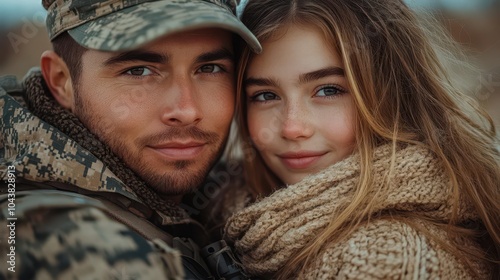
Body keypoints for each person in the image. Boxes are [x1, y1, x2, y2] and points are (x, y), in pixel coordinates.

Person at [224, 0, 500, 279]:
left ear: (393, 95)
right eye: (265, 95)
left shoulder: (389, 263)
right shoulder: (227, 203)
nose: (292, 128)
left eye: (328, 90)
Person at [0, 0, 261, 279]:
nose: (187, 111)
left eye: (210, 68)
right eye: (139, 71)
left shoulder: (227, 202)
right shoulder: (71, 249)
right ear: (62, 81)